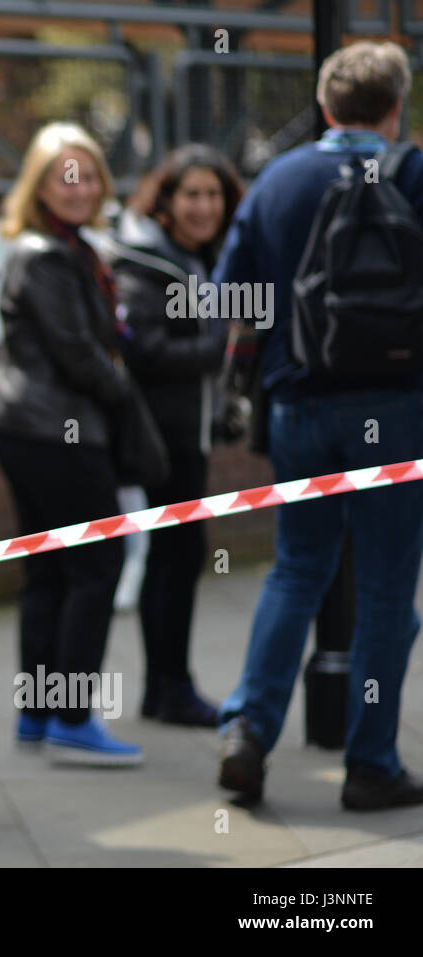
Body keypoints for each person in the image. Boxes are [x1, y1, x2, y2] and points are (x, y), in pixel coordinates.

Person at [213, 41, 423, 809]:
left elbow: (230, 296)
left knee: (297, 568)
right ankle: (370, 763)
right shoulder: (416, 174)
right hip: (399, 407)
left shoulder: (278, 179)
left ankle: (247, 731)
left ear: (328, 108)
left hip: (299, 400)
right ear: (395, 105)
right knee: (389, 584)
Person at [0, 122, 143, 766]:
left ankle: (39, 714)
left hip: (32, 426)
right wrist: (125, 392)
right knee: (96, 564)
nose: (79, 189)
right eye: (63, 176)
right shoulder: (47, 254)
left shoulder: (66, 248)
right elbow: (79, 354)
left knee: (49, 570)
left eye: (88, 175)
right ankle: (73, 719)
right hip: (55, 430)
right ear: (39, 186)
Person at [101, 145, 243, 727]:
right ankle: (168, 689)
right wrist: (215, 348)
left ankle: (169, 686)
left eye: (214, 195)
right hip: (165, 441)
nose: (204, 206)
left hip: (189, 435)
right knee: (173, 560)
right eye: (191, 195)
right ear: (166, 201)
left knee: (180, 558)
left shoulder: (197, 257)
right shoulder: (149, 262)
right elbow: (145, 350)